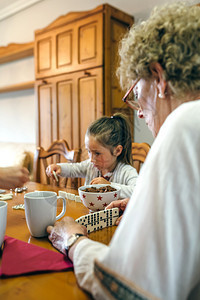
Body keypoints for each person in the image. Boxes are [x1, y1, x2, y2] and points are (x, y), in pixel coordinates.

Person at [47, 2, 200, 300]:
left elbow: (124, 290)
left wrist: (73, 240)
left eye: (135, 94)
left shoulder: (185, 123)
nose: (139, 112)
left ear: (159, 78)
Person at [46, 113, 138, 199]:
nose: (92, 159)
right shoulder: (91, 166)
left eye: (97, 153)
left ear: (117, 151)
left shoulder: (127, 171)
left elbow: (137, 191)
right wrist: (59, 167)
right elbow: (74, 168)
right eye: (89, 151)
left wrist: (110, 186)